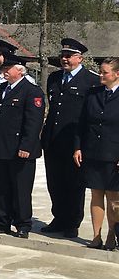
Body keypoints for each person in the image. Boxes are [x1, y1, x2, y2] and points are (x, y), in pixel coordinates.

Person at [0, 53, 45, 238]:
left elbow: (33, 123)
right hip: (0, 147)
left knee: (20, 190)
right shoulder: (2, 89)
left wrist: (26, 146)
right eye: (3, 69)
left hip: (20, 150)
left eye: (8, 69)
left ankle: (23, 224)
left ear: (20, 70)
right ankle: (2, 221)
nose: (4, 72)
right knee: (1, 188)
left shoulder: (32, 91)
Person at [40, 38, 100, 238]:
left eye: (68, 56)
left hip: (74, 142)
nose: (64, 59)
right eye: (62, 55)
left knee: (74, 184)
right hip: (53, 140)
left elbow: (90, 114)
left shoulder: (91, 80)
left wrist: (83, 144)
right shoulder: (54, 78)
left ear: (79, 58)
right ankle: (59, 218)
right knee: (54, 182)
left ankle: (72, 222)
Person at [74, 58, 119, 250]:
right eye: (100, 71)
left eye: (105, 72)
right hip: (93, 152)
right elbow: (81, 123)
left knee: (114, 199)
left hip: (114, 155)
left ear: (117, 74)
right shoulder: (93, 94)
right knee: (96, 194)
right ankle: (96, 236)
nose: (100, 75)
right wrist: (78, 147)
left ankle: (112, 235)